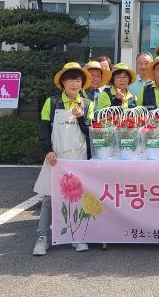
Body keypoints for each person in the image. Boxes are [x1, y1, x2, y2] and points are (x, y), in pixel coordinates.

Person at [33, 62, 95, 256]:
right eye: (70, 80)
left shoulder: (87, 104)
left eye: (78, 80)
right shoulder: (51, 102)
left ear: (82, 83)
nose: (74, 84)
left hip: (78, 158)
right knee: (49, 198)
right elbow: (44, 128)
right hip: (56, 157)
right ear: (63, 83)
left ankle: (77, 236)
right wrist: (48, 150)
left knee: (77, 197)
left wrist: (81, 117)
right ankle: (43, 237)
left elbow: (90, 133)